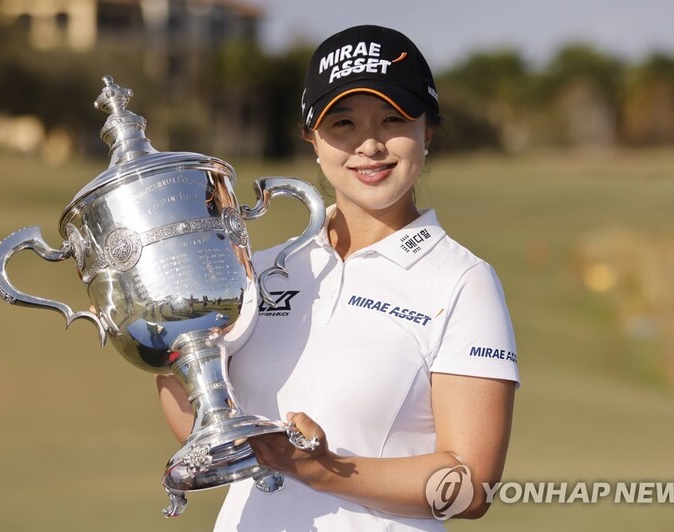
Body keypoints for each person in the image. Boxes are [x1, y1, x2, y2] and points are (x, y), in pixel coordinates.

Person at [157, 25, 519, 531]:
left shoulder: (463, 281)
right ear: (313, 138)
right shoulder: (258, 271)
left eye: (393, 119)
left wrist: (323, 470)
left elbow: (472, 485)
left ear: (428, 131)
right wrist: (166, 335)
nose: (369, 144)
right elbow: (203, 433)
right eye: (343, 122)